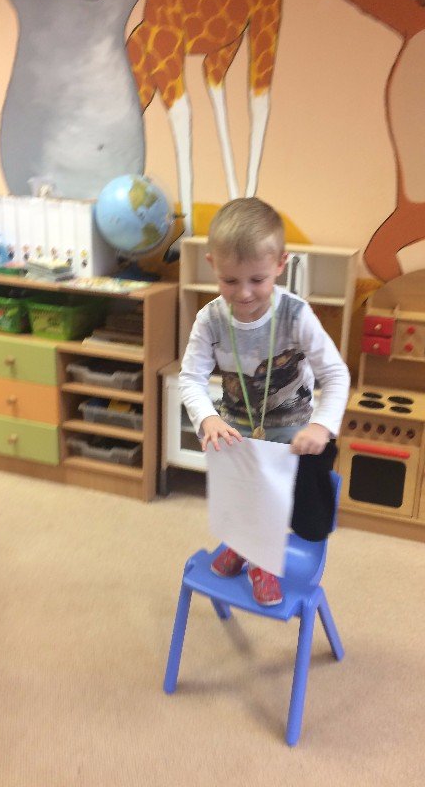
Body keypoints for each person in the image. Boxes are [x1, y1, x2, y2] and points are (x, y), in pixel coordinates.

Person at [179, 197, 350, 606]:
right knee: (238, 501)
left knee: (282, 508)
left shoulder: (296, 315)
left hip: (291, 438)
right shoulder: (210, 319)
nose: (243, 293)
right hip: (235, 437)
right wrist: (206, 418)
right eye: (229, 280)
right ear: (212, 265)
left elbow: (336, 374)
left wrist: (321, 426)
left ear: (280, 264)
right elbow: (191, 378)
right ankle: (243, 548)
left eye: (257, 279)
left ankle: (262, 562)